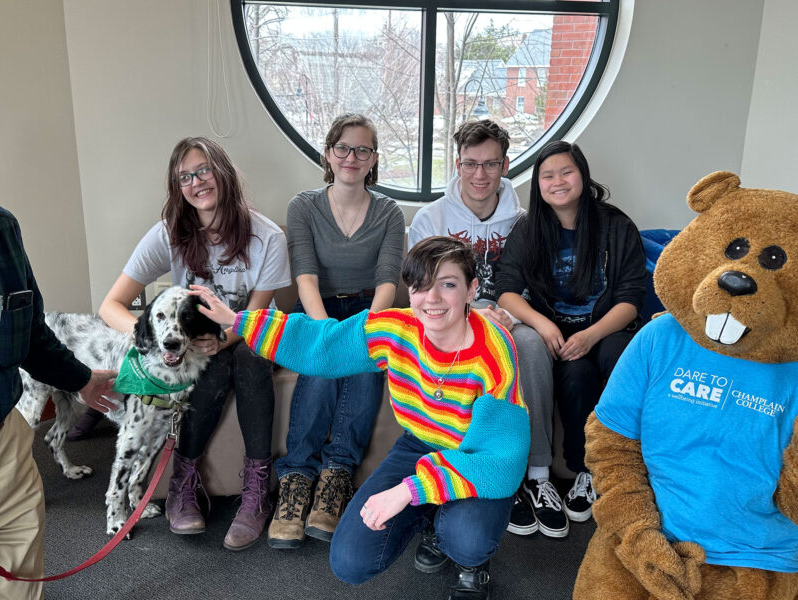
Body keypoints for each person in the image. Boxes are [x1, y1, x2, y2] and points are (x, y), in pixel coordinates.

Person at [191, 236, 529, 600]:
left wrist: (408, 490)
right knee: (350, 561)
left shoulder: (494, 349)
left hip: (473, 454)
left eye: (447, 284)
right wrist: (239, 320)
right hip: (419, 445)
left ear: (471, 289)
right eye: (420, 286)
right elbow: (324, 343)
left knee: (468, 540)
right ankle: (434, 514)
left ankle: (468, 558)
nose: (431, 299)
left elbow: (502, 461)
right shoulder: (395, 329)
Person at [98, 137, 291, 551]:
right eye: (184, 176)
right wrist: (148, 337)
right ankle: (183, 480)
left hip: (243, 336)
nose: (196, 181)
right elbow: (111, 305)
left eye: (203, 170)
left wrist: (220, 343)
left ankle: (256, 492)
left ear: (222, 172)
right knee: (210, 364)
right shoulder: (169, 233)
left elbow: (254, 317)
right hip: (197, 348)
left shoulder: (268, 237)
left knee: (250, 355)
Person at [408, 120, 563, 538]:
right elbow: (423, 291)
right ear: (458, 164)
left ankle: (537, 473)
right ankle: (490, 469)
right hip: (453, 322)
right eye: (471, 164)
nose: (480, 175)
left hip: (512, 317)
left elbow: (536, 282)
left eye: (491, 164)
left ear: (505, 165)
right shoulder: (431, 218)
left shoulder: (526, 220)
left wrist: (513, 314)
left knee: (527, 346)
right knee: (473, 351)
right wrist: (474, 315)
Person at [270, 113, 405, 549]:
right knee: (320, 364)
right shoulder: (303, 206)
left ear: (374, 160)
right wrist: (327, 332)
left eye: (362, 150)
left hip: (372, 307)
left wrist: (364, 331)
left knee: (365, 366)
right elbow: (305, 276)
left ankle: (337, 476)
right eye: (343, 148)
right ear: (328, 154)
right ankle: (296, 477)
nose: (352, 157)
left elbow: (389, 281)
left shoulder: (389, 212)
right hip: (318, 305)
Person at [495, 140, 647, 523]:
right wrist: (543, 324)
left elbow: (631, 297)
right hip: (558, 334)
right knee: (575, 376)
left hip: (608, 329)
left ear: (582, 174)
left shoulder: (615, 225)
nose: (558, 181)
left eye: (566, 172)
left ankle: (619, 469)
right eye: (548, 176)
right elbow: (507, 290)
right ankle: (583, 470)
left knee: (620, 359)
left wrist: (591, 335)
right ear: (538, 185)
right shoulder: (528, 230)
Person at [0, 206, 118, 600]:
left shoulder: (3, 227)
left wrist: (81, 379)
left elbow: (30, 329)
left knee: (21, 567)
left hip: (6, 433)